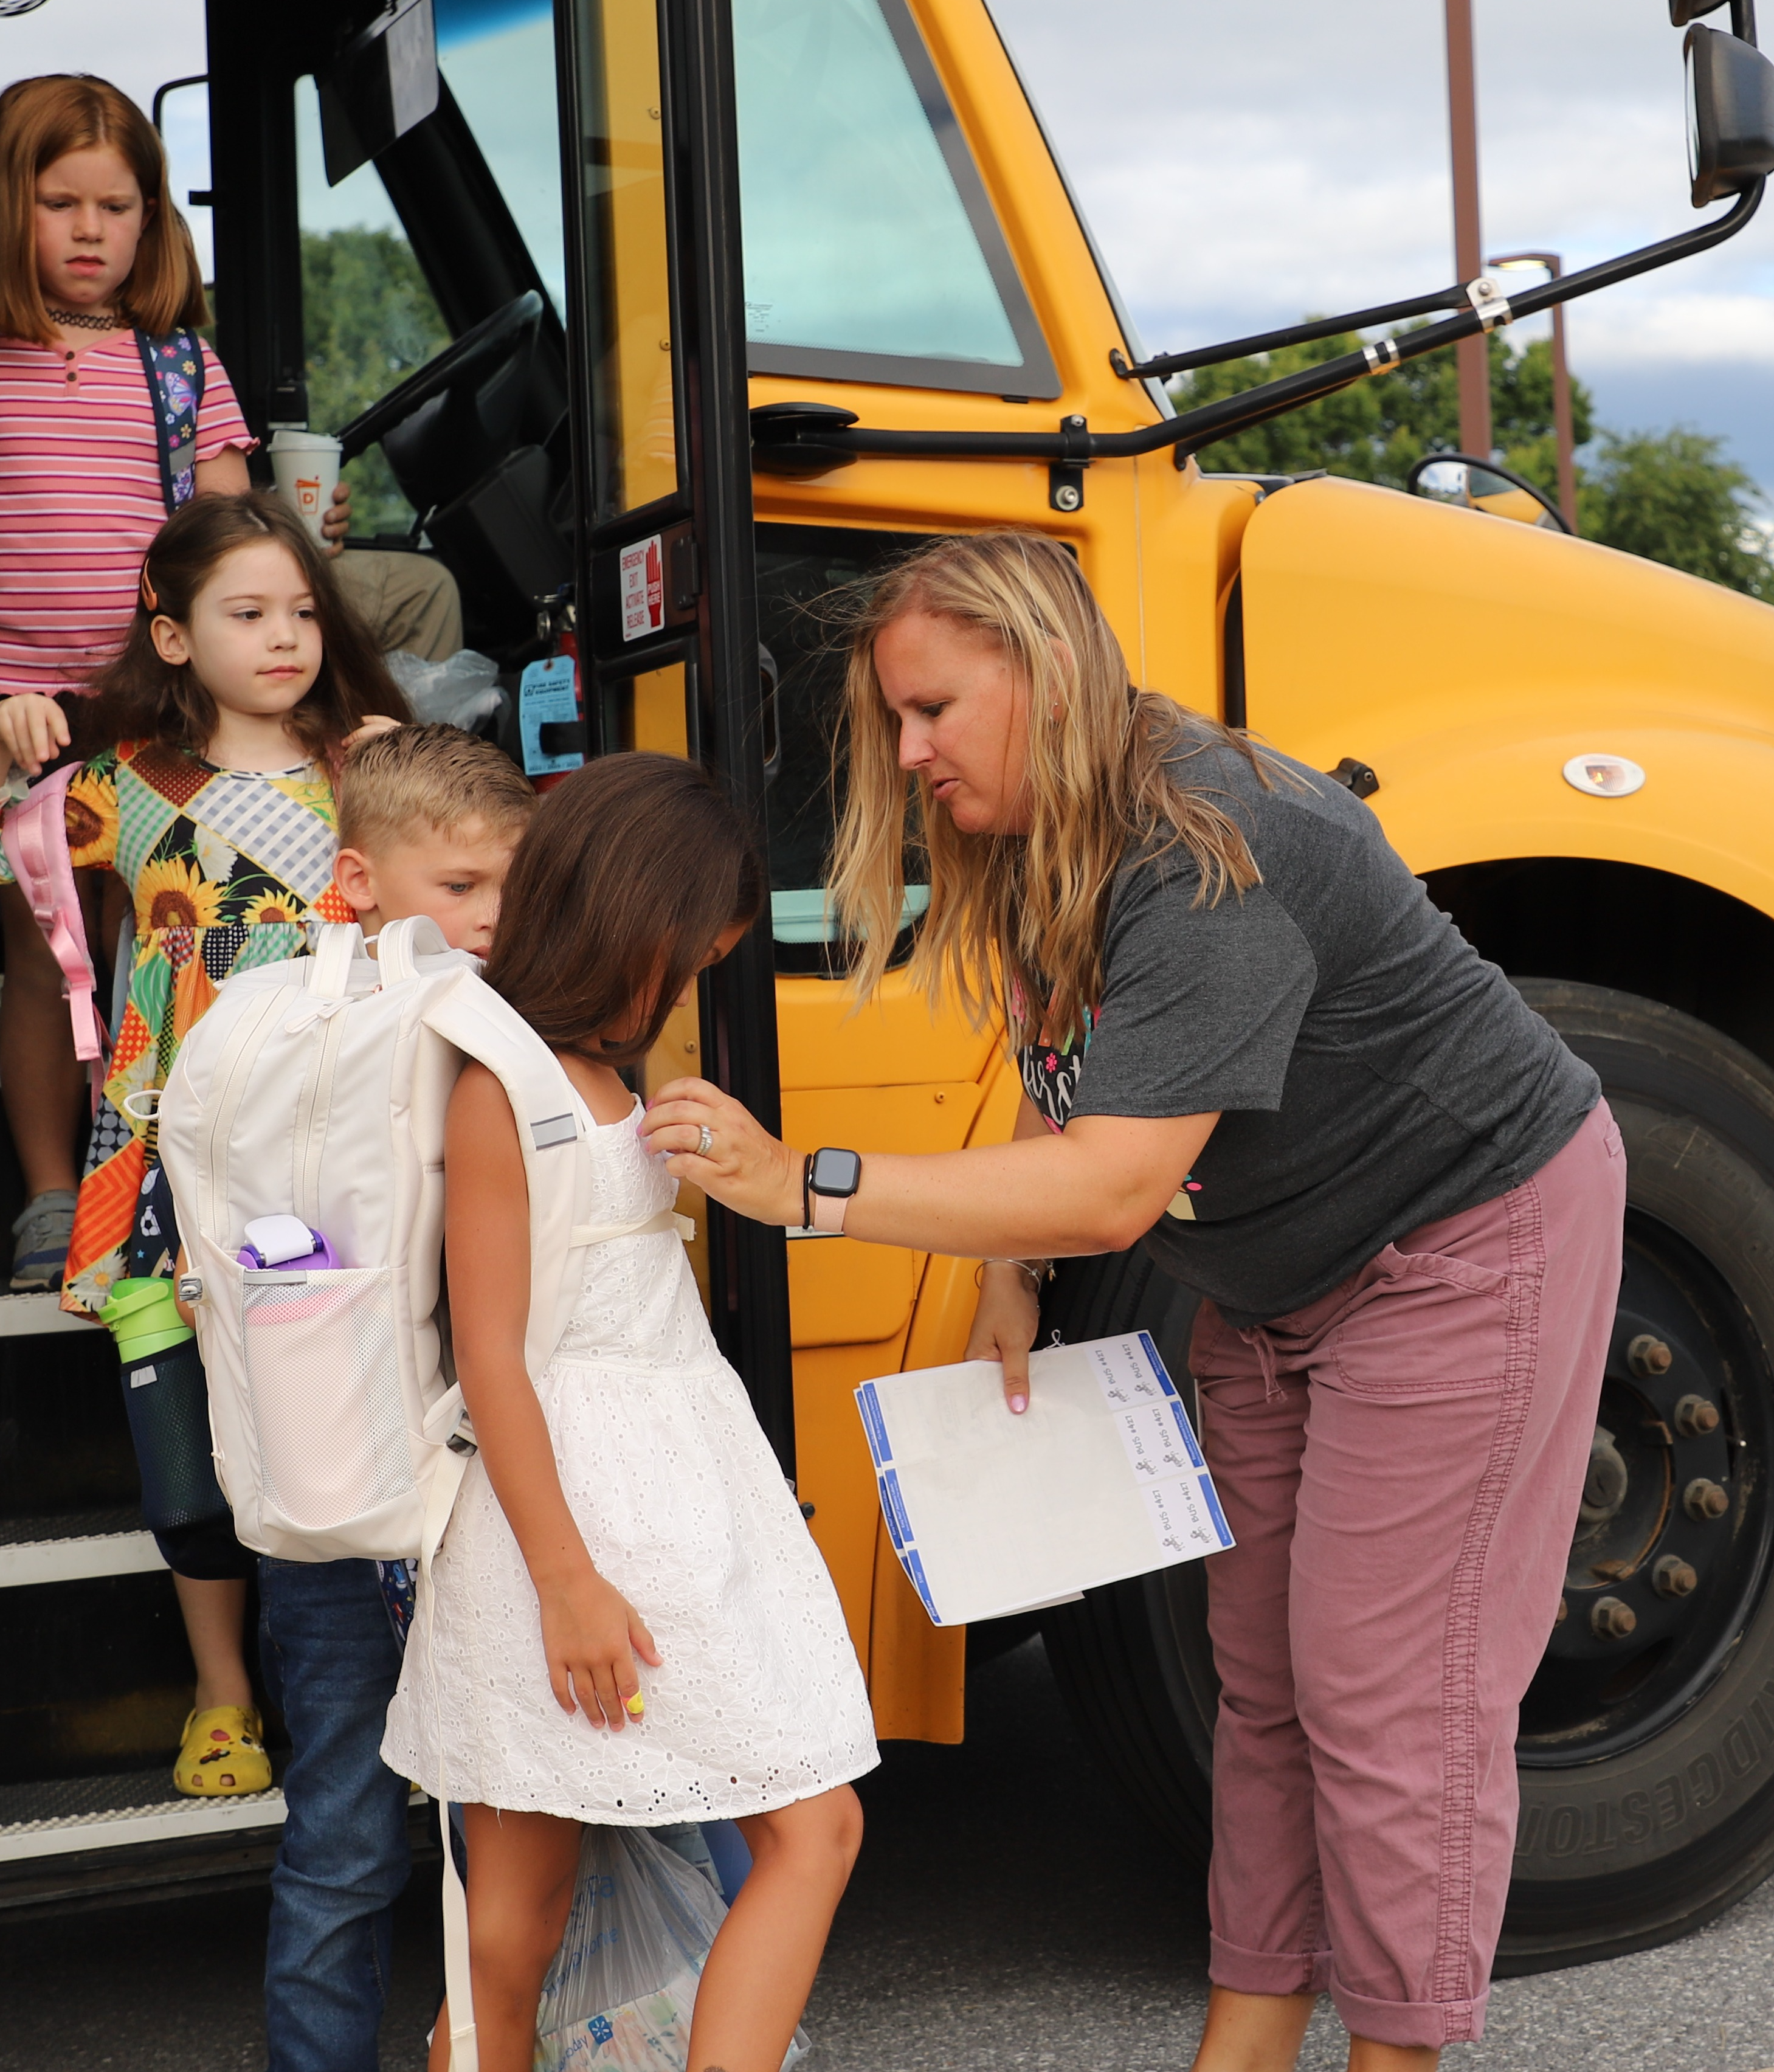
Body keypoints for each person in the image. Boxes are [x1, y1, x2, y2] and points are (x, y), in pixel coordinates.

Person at [643, 533, 1625, 2072]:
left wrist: (806, 1183)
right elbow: (1074, 1076)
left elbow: (1111, 1184)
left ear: (1037, 674)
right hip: (1279, 1272)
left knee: (1385, 1700)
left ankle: (1401, 2056)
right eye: (893, 720)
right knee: (1266, 1692)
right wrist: (1004, 1277)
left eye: (933, 711)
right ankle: (1240, 2044)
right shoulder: (1048, 828)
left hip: (1460, 1241)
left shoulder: (1208, 847)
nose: (906, 756)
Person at [0, 496, 409, 1799]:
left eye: (301, 610)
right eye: (247, 614)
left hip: (346, 1161)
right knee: (186, 1462)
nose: (284, 637)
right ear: (171, 637)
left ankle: (398, 1689)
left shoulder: (374, 768)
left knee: (353, 1433)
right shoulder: (123, 785)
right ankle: (224, 1696)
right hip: (170, 1171)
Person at [381, 754, 873, 2072]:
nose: (715, 959)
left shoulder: (601, 1075)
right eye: (705, 939)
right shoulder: (508, 1085)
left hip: (662, 1511)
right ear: (643, 920)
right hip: (584, 1532)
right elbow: (493, 1356)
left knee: (524, 1929)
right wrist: (568, 1582)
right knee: (517, 1932)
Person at [0, 72, 388, 1290]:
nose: (92, 232)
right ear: (5, 207)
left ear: (154, 218)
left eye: (119, 205)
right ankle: (50, 1193)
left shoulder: (177, 364)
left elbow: (234, 531)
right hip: (14, 707)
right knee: (49, 956)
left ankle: (150, 1173)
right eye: (60, 203)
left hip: (154, 701)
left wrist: (305, 541)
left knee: (155, 940)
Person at [248, 720, 532, 2070]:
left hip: (426, 1483)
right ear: (355, 883)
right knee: (356, 1832)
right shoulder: (304, 1029)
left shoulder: (507, 1030)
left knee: (491, 1825)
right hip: (363, 1496)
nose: (490, 922)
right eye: (460, 889)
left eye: (509, 892)